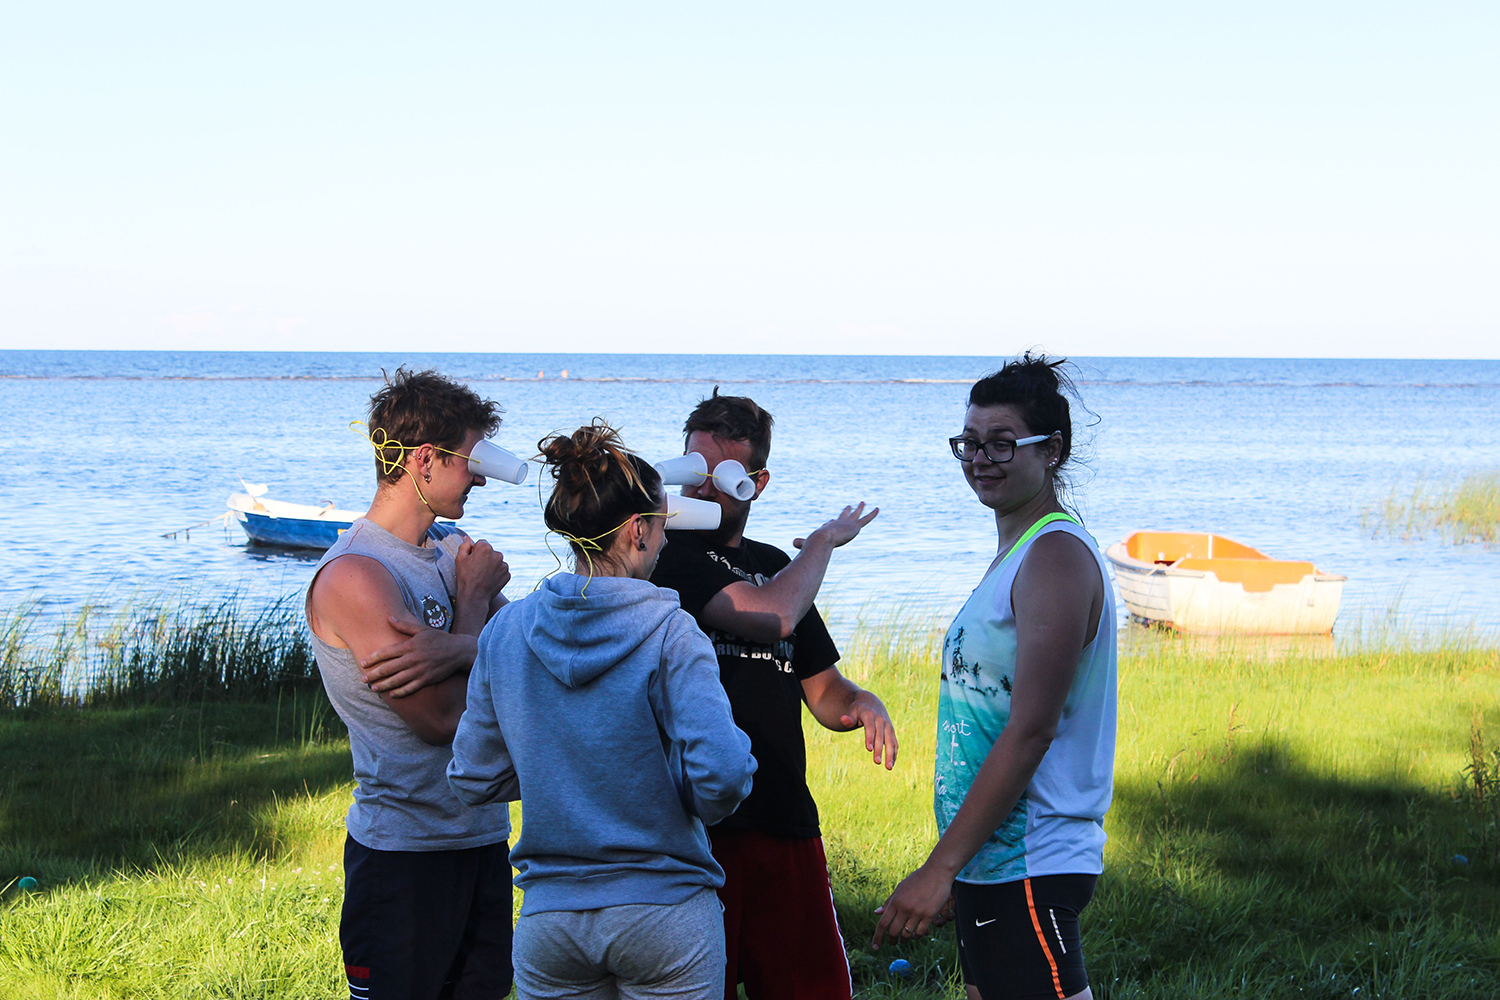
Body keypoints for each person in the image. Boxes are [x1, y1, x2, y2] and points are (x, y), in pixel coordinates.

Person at [448, 420, 756, 1000]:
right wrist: (673, 790)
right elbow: (722, 773)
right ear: (638, 529)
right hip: (666, 910)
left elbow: (472, 775)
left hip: (551, 920)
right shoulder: (671, 632)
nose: (664, 541)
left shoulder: (507, 630)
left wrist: (558, 774)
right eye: (662, 525)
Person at [871, 354, 1117, 1000]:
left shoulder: (1055, 556)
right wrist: (960, 865)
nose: (980, 459)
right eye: (970, 442)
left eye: (1002, 443)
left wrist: (938, 869)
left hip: (1029, 861)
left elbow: (1032, 729)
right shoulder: (1017, 554)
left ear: (1052, 450)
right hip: (992, 863)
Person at [648, 389, 898, 1000]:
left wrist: (861, 701)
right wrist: (822, 544)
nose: (704, 488)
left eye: (724, 475)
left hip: (783, 815)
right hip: (698, 824)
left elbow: (823, 688)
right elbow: (772, 616)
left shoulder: (774, 564)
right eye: (694, 470)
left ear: (756, 483)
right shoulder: (667, 556)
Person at [304, 368, 517, 1000]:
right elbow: (443, 720)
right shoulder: (357, 575)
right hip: (403, 858)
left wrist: (458, 646)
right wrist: (473, 608)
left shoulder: (454, 549)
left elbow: (524, 663)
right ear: (424, 460)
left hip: (483, 839)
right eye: (471, 461)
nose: (481, 478)